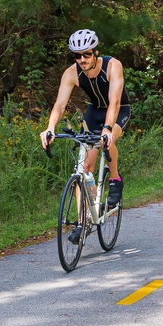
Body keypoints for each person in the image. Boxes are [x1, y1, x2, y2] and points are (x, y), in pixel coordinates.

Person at [41, 30, 131, 238]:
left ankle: (115, 179)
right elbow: (60, 104)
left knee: (108, 141)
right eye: (77, 55)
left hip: (118, 110)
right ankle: (83, 221)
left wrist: (107, 129)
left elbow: (115, 102)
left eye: (87, 54)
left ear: (96, 53)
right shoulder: (71, 73)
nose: (82, 59)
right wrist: (50, 128)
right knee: (85, 168)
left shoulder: (112, 65)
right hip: (94, 112)